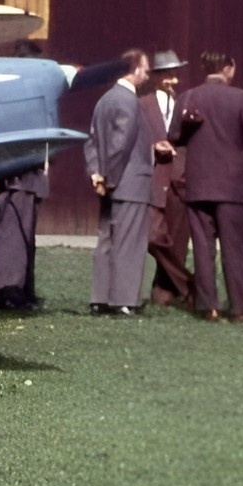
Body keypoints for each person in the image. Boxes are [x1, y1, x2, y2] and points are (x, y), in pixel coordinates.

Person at [178, 50, 243, 320]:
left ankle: (208, 306)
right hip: (231, 186)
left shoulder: (188, 97)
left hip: (198, 184)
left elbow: (174, 136)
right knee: (234, 248)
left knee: (203, 247)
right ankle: (240, 308)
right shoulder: (239, 98)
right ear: (229, 67)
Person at [85, 49, 155, 315]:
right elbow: (121, 144)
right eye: (145, 69)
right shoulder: (128, 101)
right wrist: (111, 178)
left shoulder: (104, 100)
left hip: (108, 182)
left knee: (107, 241)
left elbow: (91, 141)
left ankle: (100, 298)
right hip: (128, 182)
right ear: (134, 69)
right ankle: (123, 300)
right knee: (129, 242)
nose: (147, 74)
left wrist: (97, 174)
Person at [141, 50, 198, 310]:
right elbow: (135, 138)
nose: (173, 79)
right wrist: (153, 147)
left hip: (180, 178)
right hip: (153, 177)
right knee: (152, 236)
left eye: (175, 74)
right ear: (156, 76)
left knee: (176, 240)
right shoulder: (142, 104)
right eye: (167, 74)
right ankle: (190, 285)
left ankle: (163, 293)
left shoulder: (186, 103)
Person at [0, 162, 46, 310]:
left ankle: (18, 290)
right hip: (14, 179)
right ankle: (7, 292)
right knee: (11, 238)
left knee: (23, 239)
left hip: (25, 179)